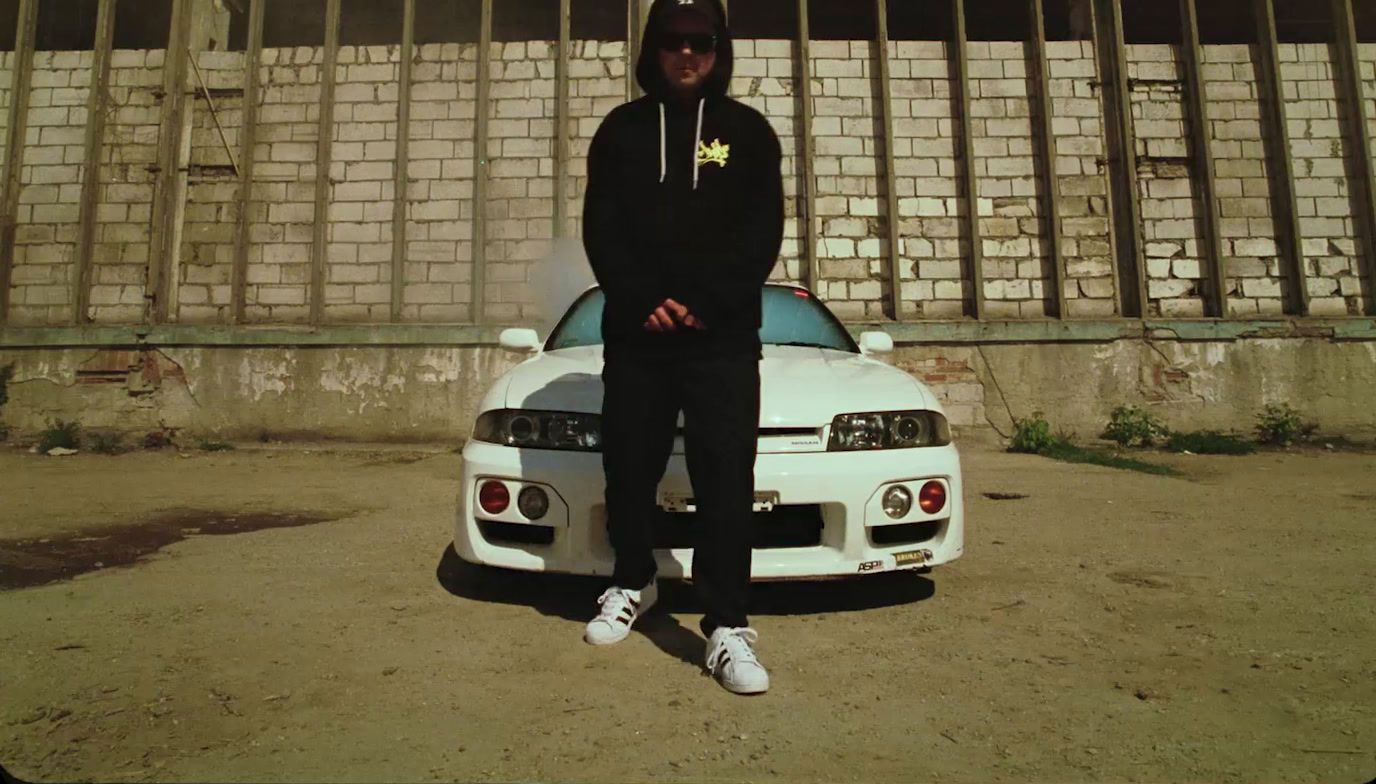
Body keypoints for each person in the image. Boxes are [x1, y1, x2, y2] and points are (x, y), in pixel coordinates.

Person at [579, 0, 784, 695]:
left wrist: (702, 303)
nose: (687, 54)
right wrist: (643, 302)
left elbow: (760, 236)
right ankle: (633, 581)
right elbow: (601, 230)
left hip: (721, 341)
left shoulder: (748, 133)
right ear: (652, 50)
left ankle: (727, 625)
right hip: (636, 339)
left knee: (725, 479)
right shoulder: (621, 130)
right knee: (628, 467)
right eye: (673, 42)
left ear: (720, 49)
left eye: (701, 42)